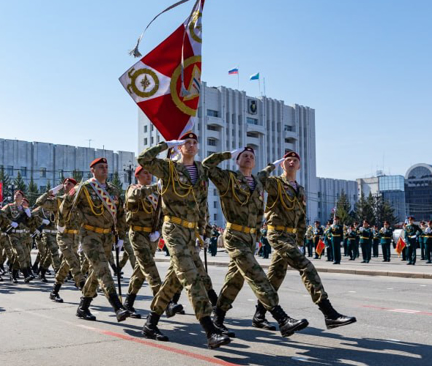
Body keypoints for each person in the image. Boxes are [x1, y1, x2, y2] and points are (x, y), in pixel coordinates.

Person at [137, 133, 230, 348]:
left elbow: (203, 203)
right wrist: (165, 144)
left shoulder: (201, 171)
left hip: (191, 233)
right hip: (174, 228)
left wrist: (203, 231)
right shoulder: (169, 168)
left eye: (194, 142)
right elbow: (143, 160)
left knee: (173, 280)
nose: (191, 145)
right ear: (179, 147)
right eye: (186, 142)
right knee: (190, 277)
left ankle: (151, 323)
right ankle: (210, 329)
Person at [204, 147, 308, 337]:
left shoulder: (258, 182)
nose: (249, 158)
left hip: (251, 238)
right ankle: (281, 318)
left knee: (235, 279)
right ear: (237, 160)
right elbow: (207, 166)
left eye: (252, 157)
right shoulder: (228, 178)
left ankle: (217, 318)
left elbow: (264, 173)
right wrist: (227, 154)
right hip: (235, 235)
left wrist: (272, 166)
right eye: (244, 156)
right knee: (256, 274)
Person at [263, 151, 356, 330]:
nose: (291, 162)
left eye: (295, 160)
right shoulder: (275, 183)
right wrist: (271, 166)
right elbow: (259, 179)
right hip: (277, 233)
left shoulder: (300, 189)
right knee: (306, 266)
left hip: (290, 236)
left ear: (299, 166)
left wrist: (300, 239)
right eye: (288, 160)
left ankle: (259, 314)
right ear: (283, 165)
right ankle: (328, 313)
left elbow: (300, 215)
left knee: (275, 276)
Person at [63, 157, 130, 323]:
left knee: (96, 272)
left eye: (106, 167)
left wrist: (120, 236)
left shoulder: (113, 190)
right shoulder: (84, 188)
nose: (104, 169)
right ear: (92, 170)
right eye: (101, 167)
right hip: (89, 235)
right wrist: (67, 228)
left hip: (107, 236)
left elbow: (120, 214)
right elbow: (66, 206)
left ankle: (83, 306)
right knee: (103, 269)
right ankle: (117, 306)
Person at [123, 166, 163, 318]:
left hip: (151, 236)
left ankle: (128, 303)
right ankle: (164, 300)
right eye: (145, 173)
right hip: (138, 233)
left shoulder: (156, 195)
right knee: (149, 266)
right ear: (137, 175)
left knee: (140, 271)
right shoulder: (133, 189)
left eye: (150, 172)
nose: (149, 175)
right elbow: (135, 197)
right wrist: (155, 187)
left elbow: (161, 214)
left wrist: (158, 230)